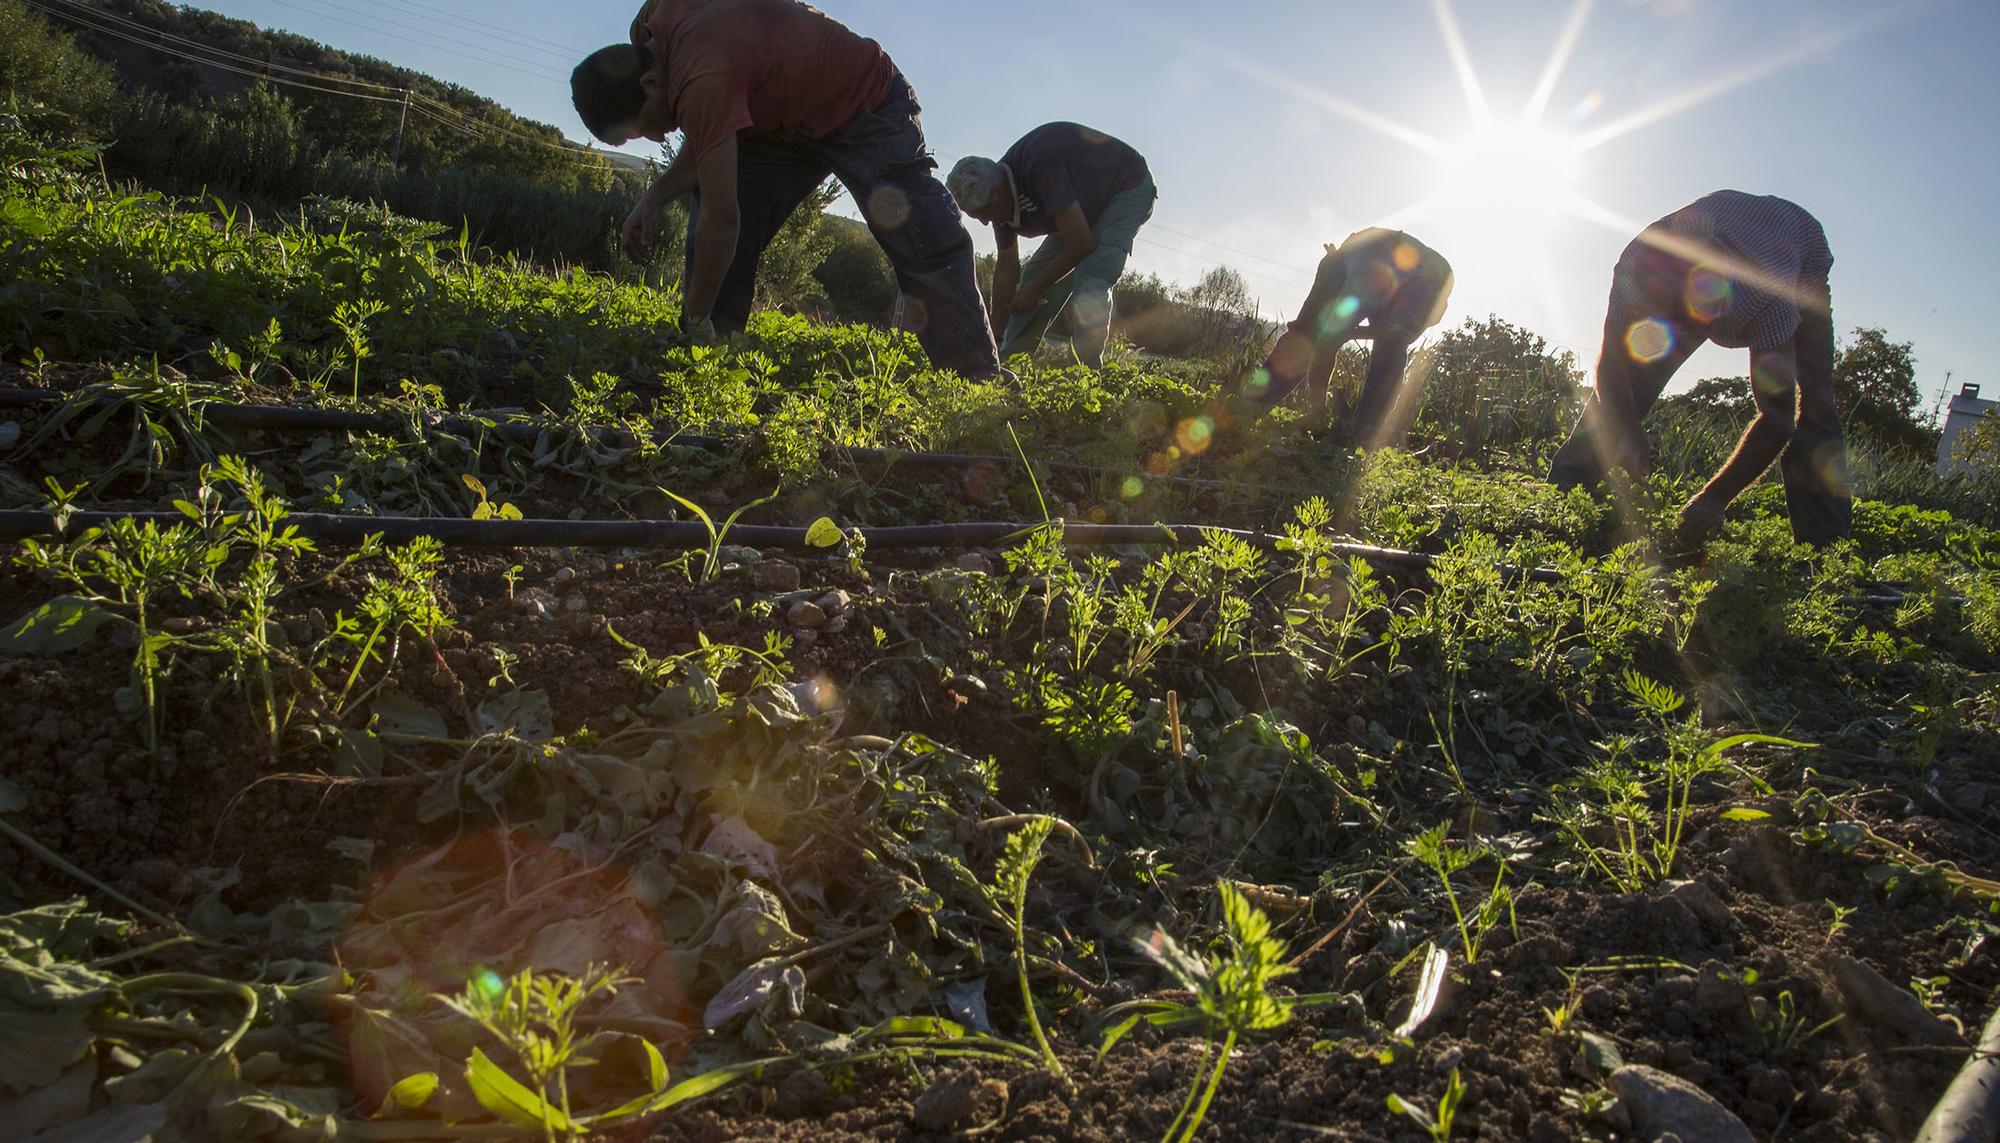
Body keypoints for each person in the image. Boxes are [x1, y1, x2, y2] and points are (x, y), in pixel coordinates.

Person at [568, 1, 1002, 379]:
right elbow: (708, 126)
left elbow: (722, 218)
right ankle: (710, 354)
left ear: (649, 83)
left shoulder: (699, 70)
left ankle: (977, 377)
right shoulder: (649, 30)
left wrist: (691, 318)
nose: (658, 138)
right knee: (727, 211)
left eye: (643, 127)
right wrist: (655, 195)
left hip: (863, 103)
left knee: (923, 236)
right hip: (777, 118)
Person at [1547, 190, 1848, 546]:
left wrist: (1714, 498)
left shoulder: (1771, 299)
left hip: (1800, 251)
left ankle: (1825, 543)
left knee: (1816, 398)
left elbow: (1778, 418)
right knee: (1636, 371)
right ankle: (1567, 490)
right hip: (1725, 244)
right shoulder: (1638, 264)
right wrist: (1626, 425)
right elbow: (1612, 360)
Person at [945, 123, 1156, 369]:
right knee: (1034, 275)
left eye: (981, 213)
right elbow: (1006, 268)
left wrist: (1033, 290)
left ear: (996, 194)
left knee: (1091, 278)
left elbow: (1081, 244)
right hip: (1082, 208)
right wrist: (994, 334)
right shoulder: (997, 197)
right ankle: (1007, 363)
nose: (983, 221)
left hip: (1126, 187)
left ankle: (1084, 375)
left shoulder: (1039, 166)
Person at [1240, 229, 1453, 444]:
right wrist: (1318, 408)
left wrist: (1345, 332)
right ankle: (1253, 403)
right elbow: (1327, 343)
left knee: (1390, 350)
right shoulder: (1373, 280)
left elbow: (1394, 335)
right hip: (1358, 261)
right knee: (1307, 333)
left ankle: (1363, 436)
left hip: (1383, 263)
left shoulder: (1429, 292)